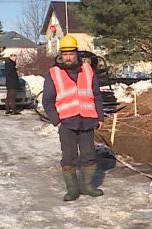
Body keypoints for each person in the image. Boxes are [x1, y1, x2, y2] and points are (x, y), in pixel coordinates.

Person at [42, 35, 105, 201]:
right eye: (65, 54)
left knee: (89, 155)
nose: (68, 57)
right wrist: (57, 120)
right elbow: (47, 101)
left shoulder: (88, 70)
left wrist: (99, 117)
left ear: (76, 53)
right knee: (68, 157)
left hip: (87, 120)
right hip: (67, 123)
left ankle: (87, 186)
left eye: (71, 53)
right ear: (60, 55)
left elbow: (97, 96)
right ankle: (72, 190)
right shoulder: (54, 73)